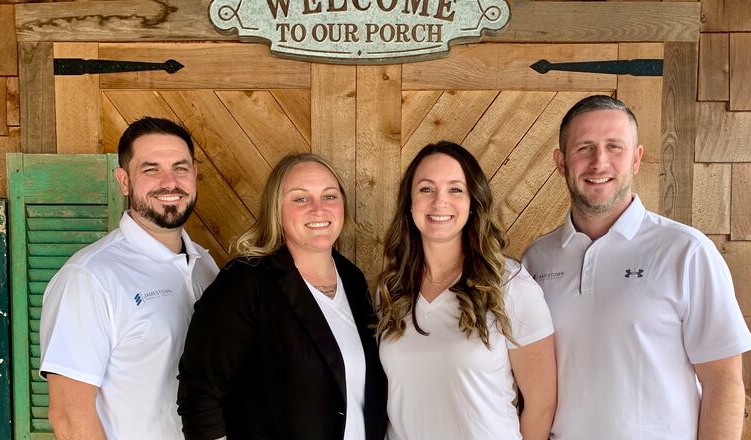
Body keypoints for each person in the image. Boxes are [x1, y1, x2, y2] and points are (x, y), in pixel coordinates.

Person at [522, 95, 751, 439]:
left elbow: (723, 384)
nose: (599, 162)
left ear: (636, 159)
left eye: (614, 147)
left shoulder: (686, 252)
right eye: (584, 148)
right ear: (561, 162)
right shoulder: (535, 260)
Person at [177, 153, 387, 440]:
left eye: (329, 196)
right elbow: (200, 395)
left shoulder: (352, 279)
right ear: (276, 210)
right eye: (300, 199)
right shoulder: (246, 282)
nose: (318, 209)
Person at [39, 117, 220, 439]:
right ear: (124, 181)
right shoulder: (90, 277)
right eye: (151, 169)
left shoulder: (205, 265)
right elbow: (68, 416)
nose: (170, 182)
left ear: (194, 174)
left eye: (180, 168)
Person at [376, 141, 557, 440]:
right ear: (409, 202)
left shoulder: (509, 285)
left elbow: (541, 405)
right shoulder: (393, 290)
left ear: (473, 202)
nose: (440, 202)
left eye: (455, 189)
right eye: (426, 189)